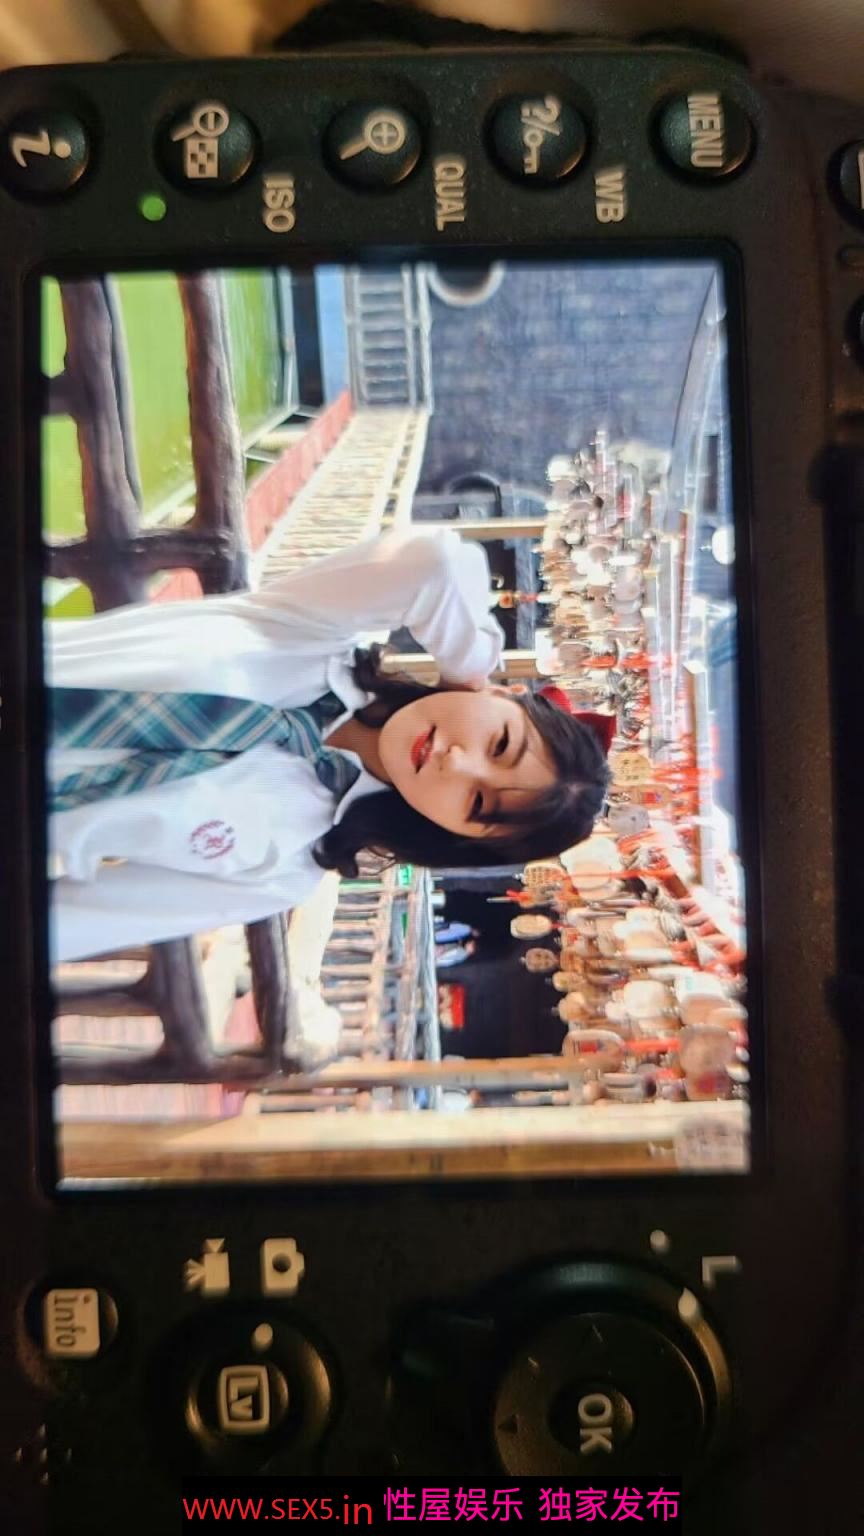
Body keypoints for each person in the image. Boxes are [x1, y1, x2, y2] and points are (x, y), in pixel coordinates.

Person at [47, 528, 610, 964]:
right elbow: (433, 562)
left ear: (459, 835)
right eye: (500, 741)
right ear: (504, 695)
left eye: (477, 803)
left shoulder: (285, 869)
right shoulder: (312, 637)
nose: (456, 762)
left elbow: (72, 922)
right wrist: (469, 670)